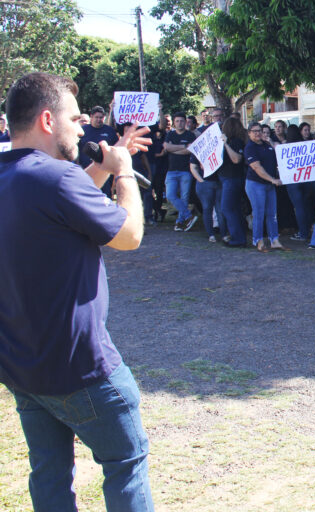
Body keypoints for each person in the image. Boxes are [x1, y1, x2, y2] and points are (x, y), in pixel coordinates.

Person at [0, 72, 154, 511]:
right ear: (48, 120)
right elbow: (128, 236)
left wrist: (101, 169)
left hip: (22, 367)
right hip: (82, 369)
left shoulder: (20, 177)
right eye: (74, 118)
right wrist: (123, 174)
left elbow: (57, 206)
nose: (83, 128)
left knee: (49, 474)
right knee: (126, 464)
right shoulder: (55, 177)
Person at [244, 121, 285, 251]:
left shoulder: (267, 145)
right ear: (249, 133)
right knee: (259, 214)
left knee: (272, 214)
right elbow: (257, 167)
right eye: (254, 131)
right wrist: (272, 179)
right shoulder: (250, 148)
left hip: (269, 185)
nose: (257, 133)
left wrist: (272, 144)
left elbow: (280, 158)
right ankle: (258, 241)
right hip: (256, 184)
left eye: (259, 131)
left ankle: (274, 240)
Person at [164, 111, 198, 232]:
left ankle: (180, 222)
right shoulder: (170, 134)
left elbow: (190, 150)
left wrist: (174, 149)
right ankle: (189, 216)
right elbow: (166, 147)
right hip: (171, 170)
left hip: (186, 170)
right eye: (177, 121)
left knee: (184, 197)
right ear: (174, 122)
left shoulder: (190, 135)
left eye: (182, 121)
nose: (179, 123)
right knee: (170, 195)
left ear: (185, 122)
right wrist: (183, 147)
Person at [218, 116, 248, 247]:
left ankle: (237, 239)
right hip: (226, 179)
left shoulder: (236, 142)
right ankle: (239, 236)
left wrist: (226, 144)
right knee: (234, 209)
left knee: (227, 208)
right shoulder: (231, 141)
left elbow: (236, 159)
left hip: (232, 179)